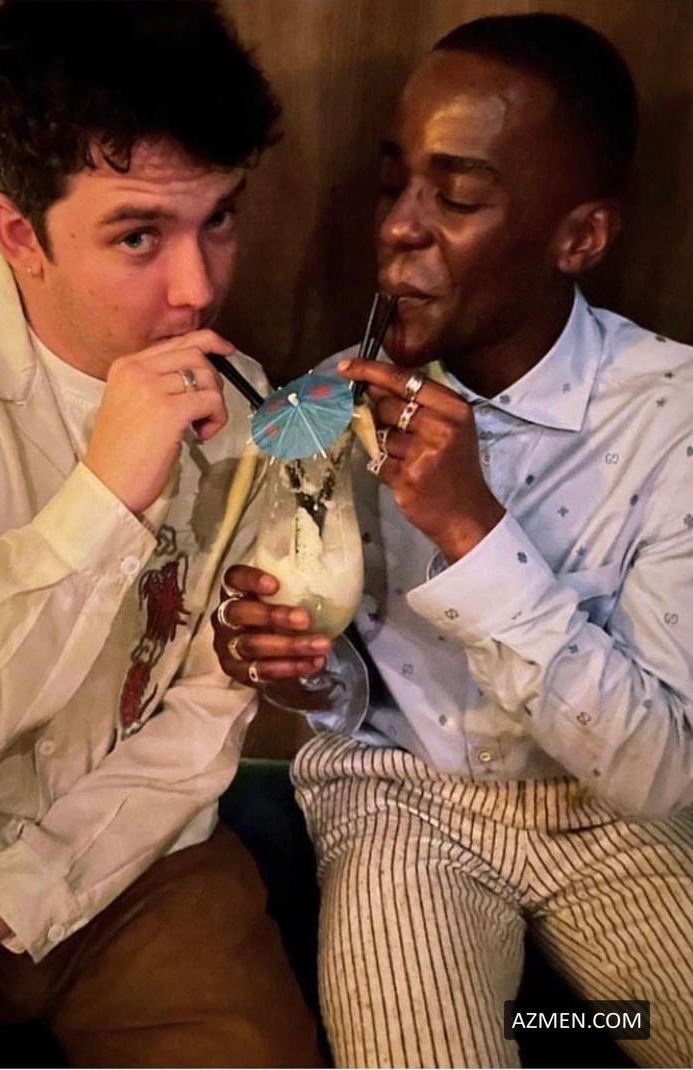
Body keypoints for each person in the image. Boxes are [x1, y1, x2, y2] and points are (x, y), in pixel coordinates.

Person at [213, 12, 693, 1068]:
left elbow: (663, 772)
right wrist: (297, 663)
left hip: (614, 813)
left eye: (458, 197)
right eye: (395, 186)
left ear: (580, 237)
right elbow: (344, 683)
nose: (397, 227)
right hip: (399, 796)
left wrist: (471, 529)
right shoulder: (327, 406)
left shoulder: (671, 419)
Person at [0, 2, 326, 1066]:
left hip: (138, 857)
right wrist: (103, 497)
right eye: (138, 235)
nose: (199, 288)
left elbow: (206, 708)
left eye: (219, 218)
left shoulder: (245, 401)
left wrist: (1, 899)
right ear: (19, 234)